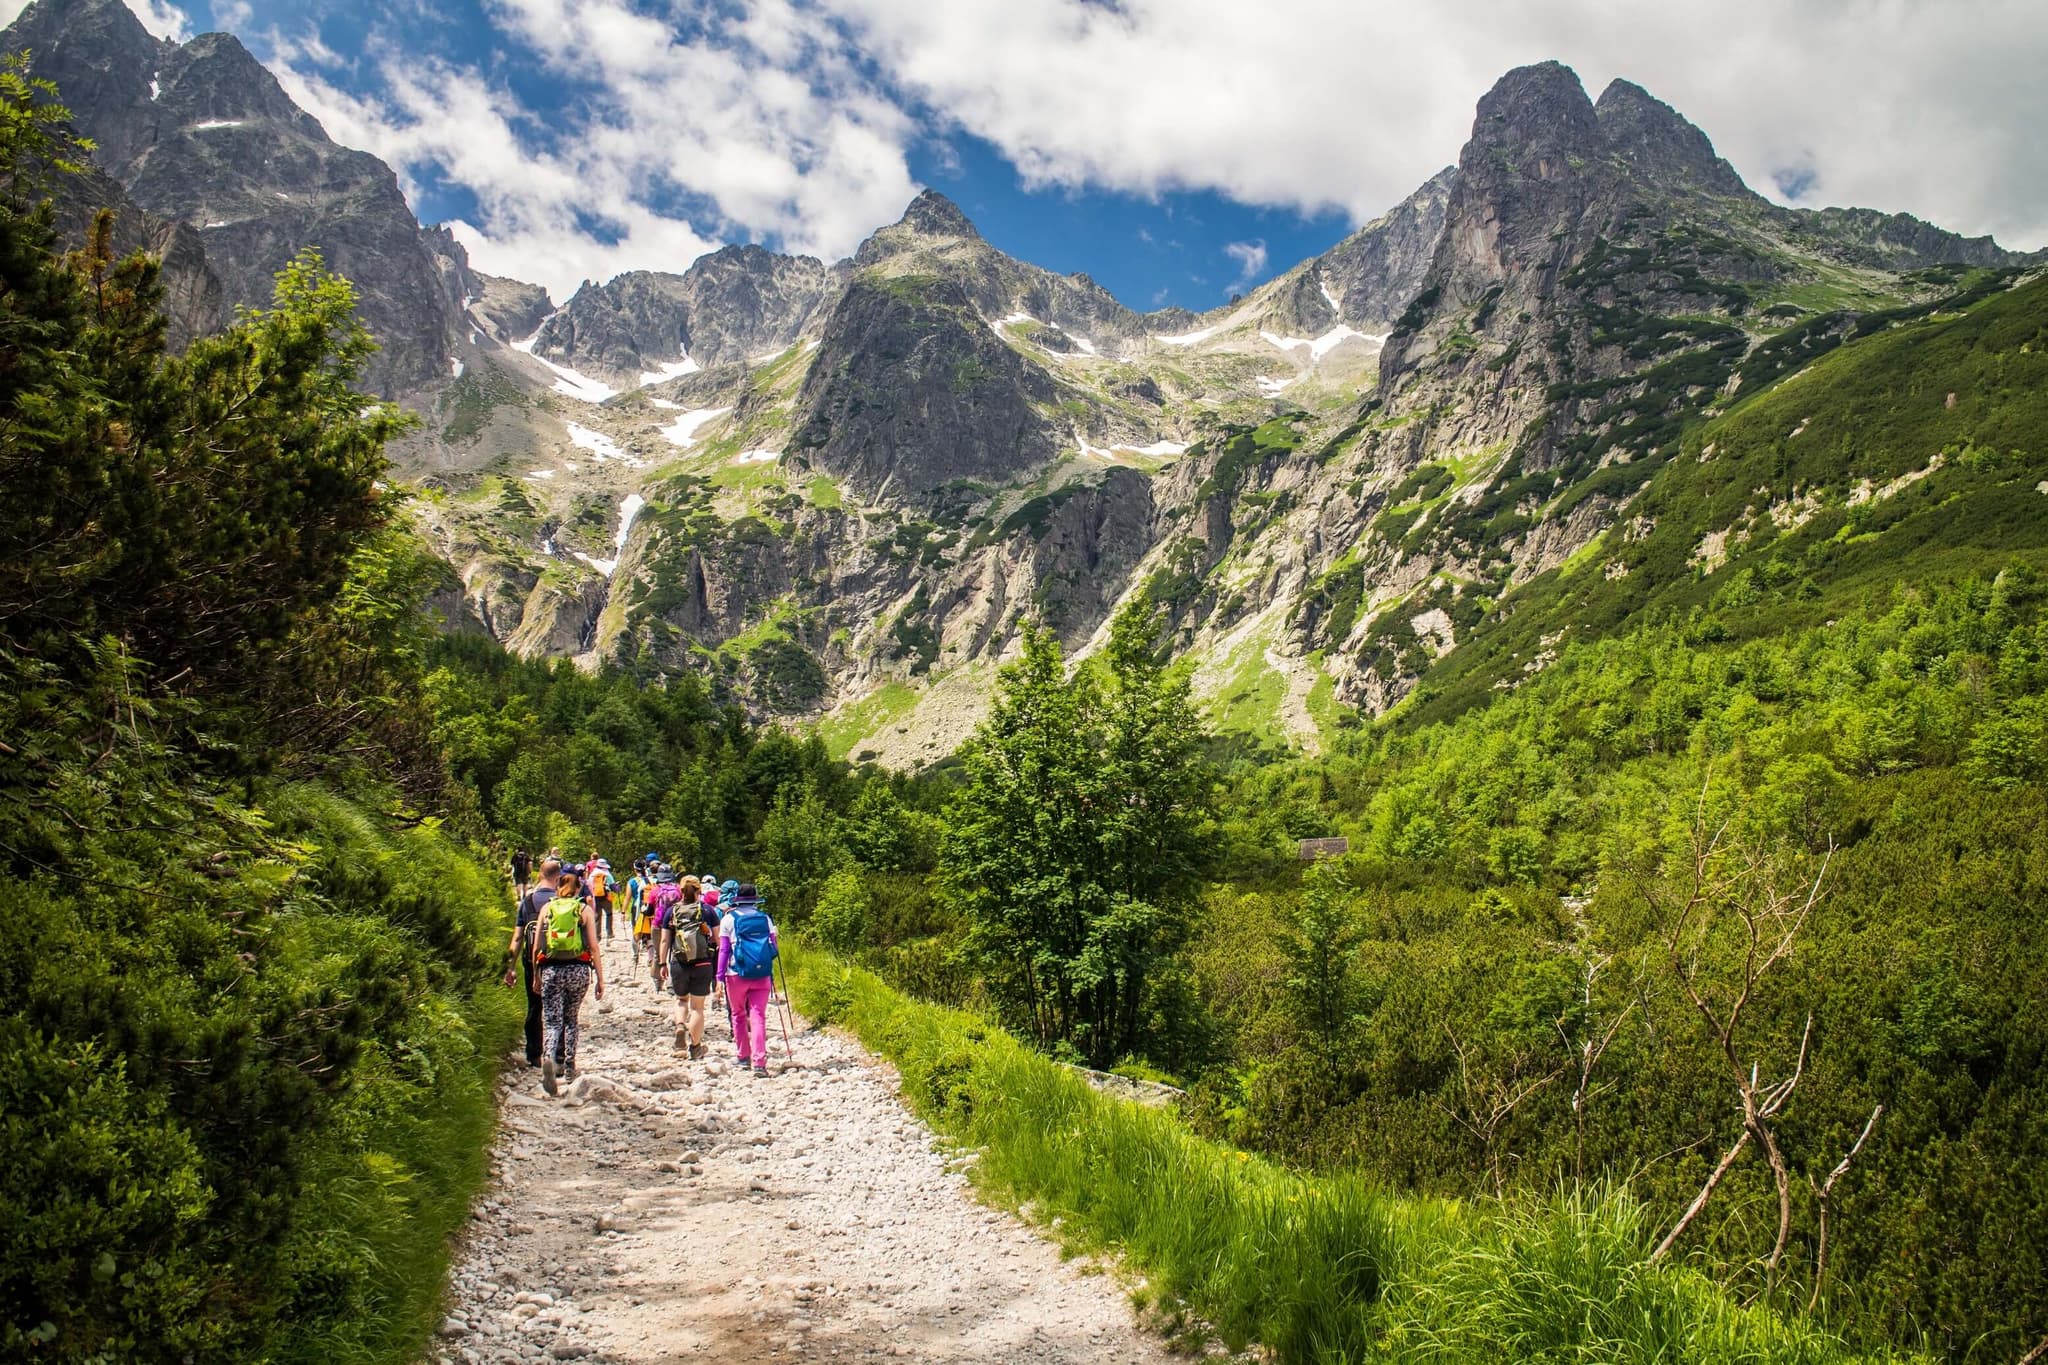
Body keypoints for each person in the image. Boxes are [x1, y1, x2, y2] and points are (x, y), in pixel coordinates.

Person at [534, 864, 605, 1095]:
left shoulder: (547, 909)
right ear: (578, 889)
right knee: (571, 1019)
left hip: (551, 970)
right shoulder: (583, 910)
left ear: (558, 886)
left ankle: (549, 1057)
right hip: (578, 969)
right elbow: (593, 946)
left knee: (552, 1021)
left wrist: (536, 974)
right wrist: (600, 979)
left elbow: (537, 947)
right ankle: (570, 1067)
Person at [503, 857, 561, 1068]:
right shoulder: (562, 903)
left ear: (539, 875)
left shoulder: (527, 902)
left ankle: (534, 1054)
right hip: (558, 963)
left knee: (535, 1007)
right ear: (558, 878)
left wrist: (509, 967)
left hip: (532, 962)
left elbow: (518, 937)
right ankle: (558, 1055)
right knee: (558, 1009)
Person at [716, 883, 778, 1078]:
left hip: (736, 974)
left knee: (738, 1014)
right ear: (755, 899)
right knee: (758, 1015)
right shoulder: (765, 918)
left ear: (737, 899)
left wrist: (719, 977)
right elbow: (773, 948)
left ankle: (743, 1056)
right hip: (762, 974)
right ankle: (759, 1062)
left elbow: (724, 950)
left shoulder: (728, 919)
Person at [659, 876, 722, 1059]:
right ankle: (695, 1047)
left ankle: (680, 1025)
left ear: (681, 891)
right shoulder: (708, 911)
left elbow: (664, 940)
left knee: (681, 1000)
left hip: (679, 963)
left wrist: (662, 963)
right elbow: (718, 940)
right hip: (702, 963)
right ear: (698, 891)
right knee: (697, 1008)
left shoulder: (672, 911)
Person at [627, 860, 652, 966]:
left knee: (636, 932)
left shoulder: (632, 881)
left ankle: (635, 955)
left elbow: (627, 898)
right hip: (649, 908)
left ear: (634, 868)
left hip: (636, 908)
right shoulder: (649, 880)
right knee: (648, 933)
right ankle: (650, 956)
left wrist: (623, 911)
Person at [588, 854, 615, 941]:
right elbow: (613, 886)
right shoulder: (607, 874)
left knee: (597, 916)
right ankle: (609, 933)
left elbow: (589, 886)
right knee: (609, 914)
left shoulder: (592, 874)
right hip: (606, 897)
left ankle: (597, 935)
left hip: (595, 898)